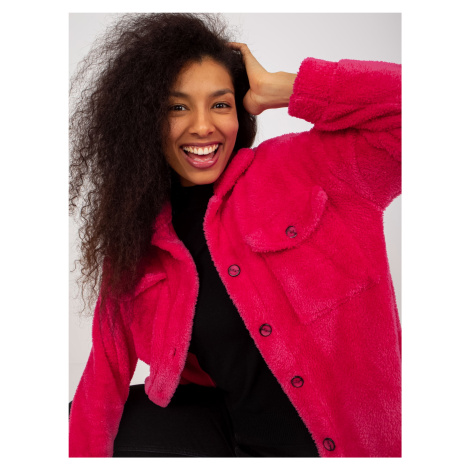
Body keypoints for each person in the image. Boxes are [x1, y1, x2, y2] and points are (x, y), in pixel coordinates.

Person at [69, 13, 401, 458]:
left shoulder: (308, 167)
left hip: (353, 450)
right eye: (177, 107)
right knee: (69, 423)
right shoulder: (137, 238)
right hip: (232, 442)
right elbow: (105, 372)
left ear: (240, 111)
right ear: (144, 120)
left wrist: (289, 87)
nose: (203, 126)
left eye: (220, 105)